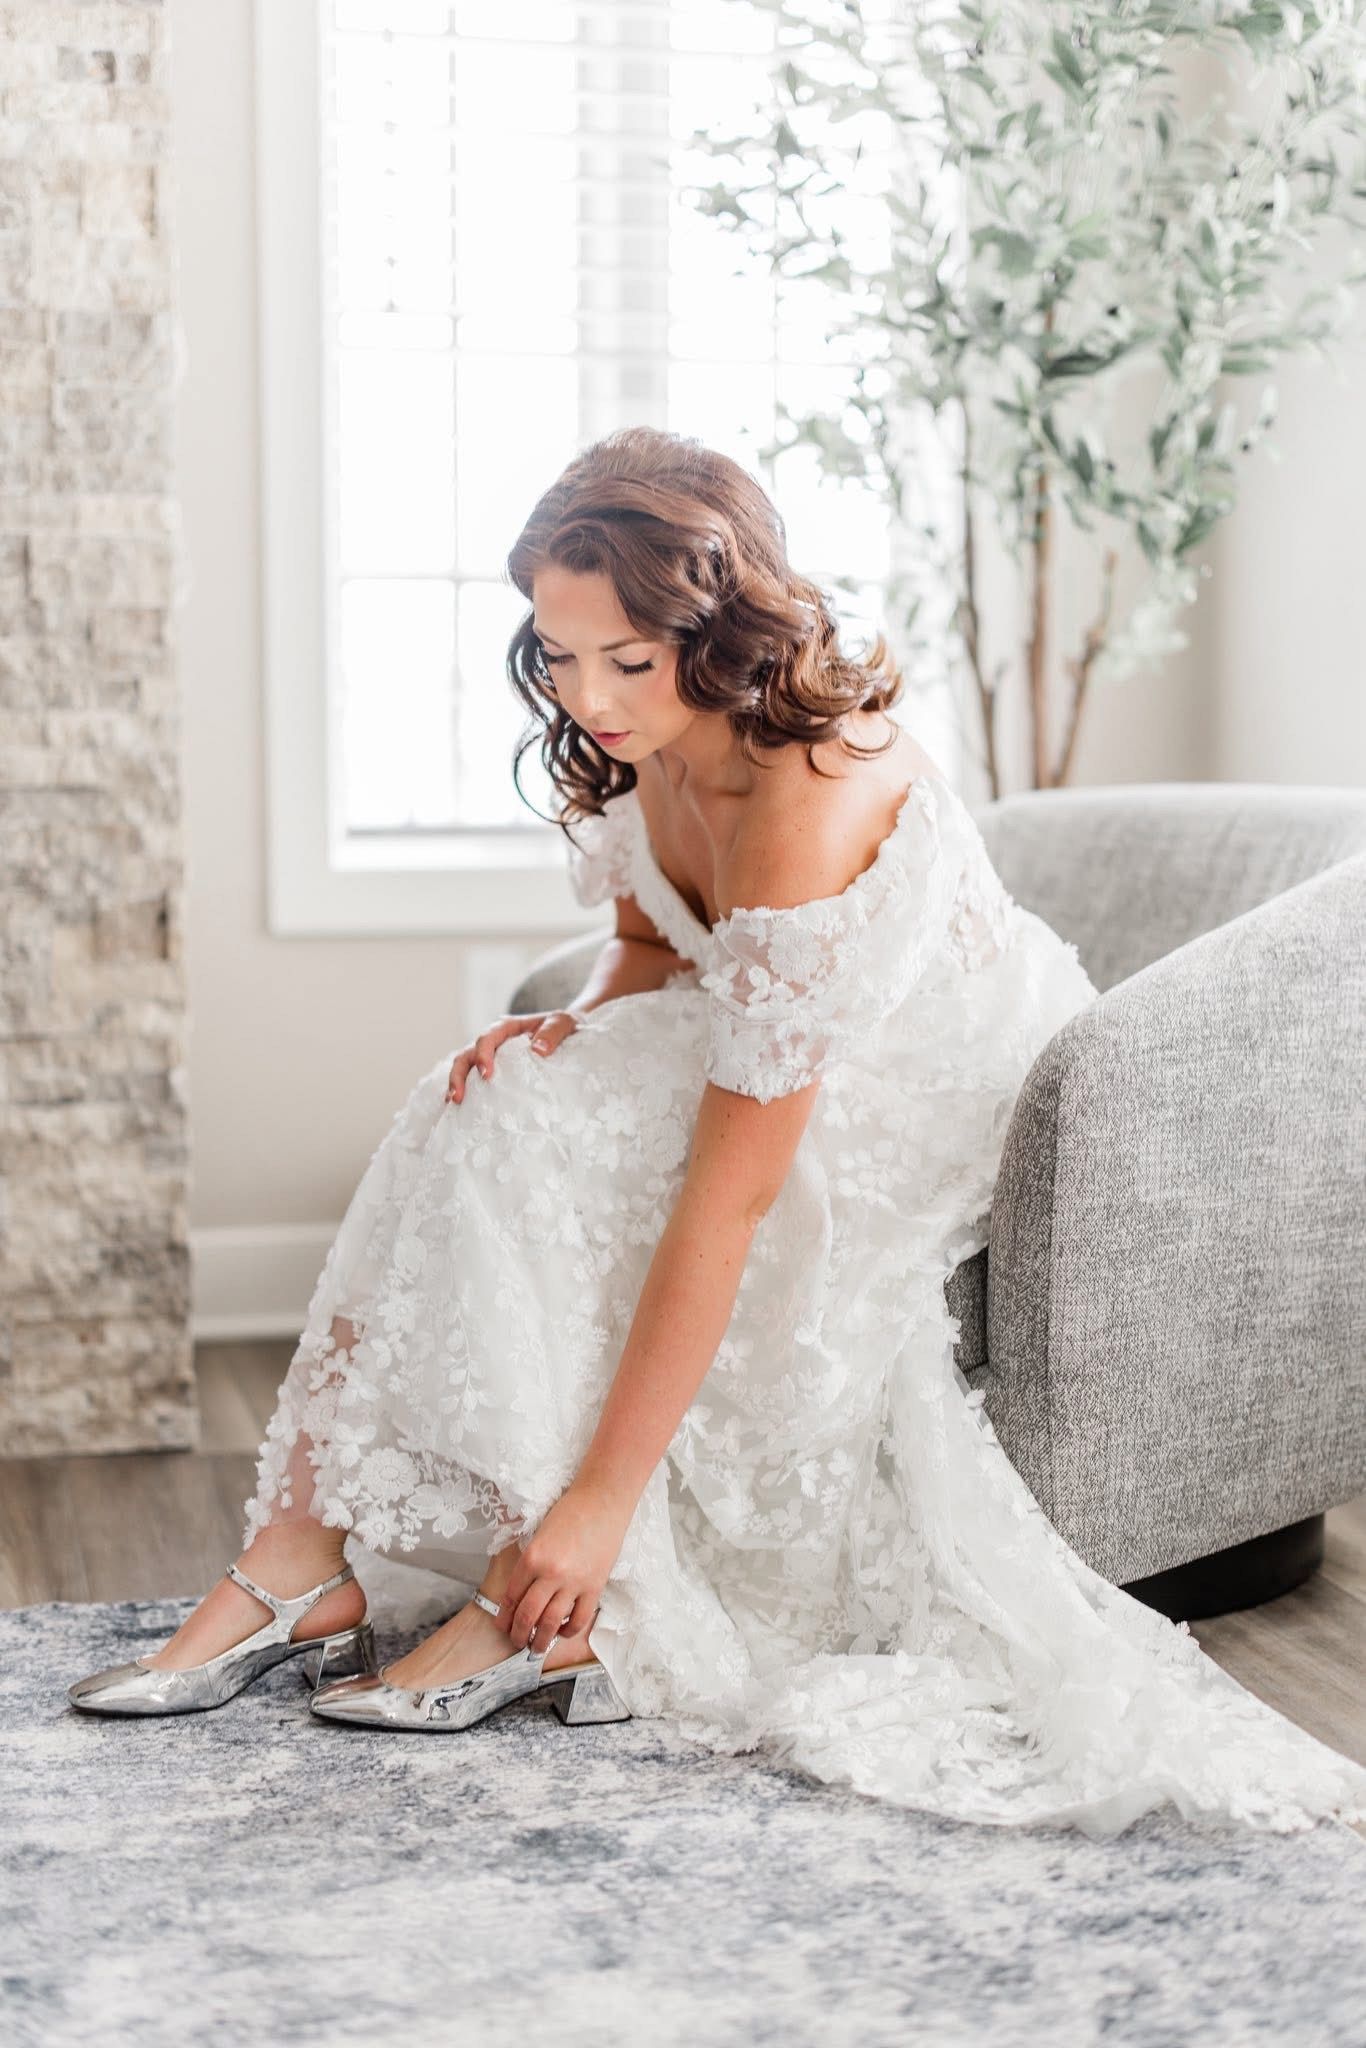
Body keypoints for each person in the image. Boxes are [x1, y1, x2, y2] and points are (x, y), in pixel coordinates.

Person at [69, 425, 1366, 1839]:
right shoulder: (642, 738)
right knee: (478, 1088)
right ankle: (295, 1554)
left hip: (936, 1102)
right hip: (785, 1041)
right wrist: (583, 1025)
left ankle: (544, 1591)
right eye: (558, 656)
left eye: (626, 660)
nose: (590, 696)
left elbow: (730, 1203)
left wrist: (599, 1507)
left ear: (721, 621)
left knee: (545, 1145)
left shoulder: (807, 788)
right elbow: (649, 934)